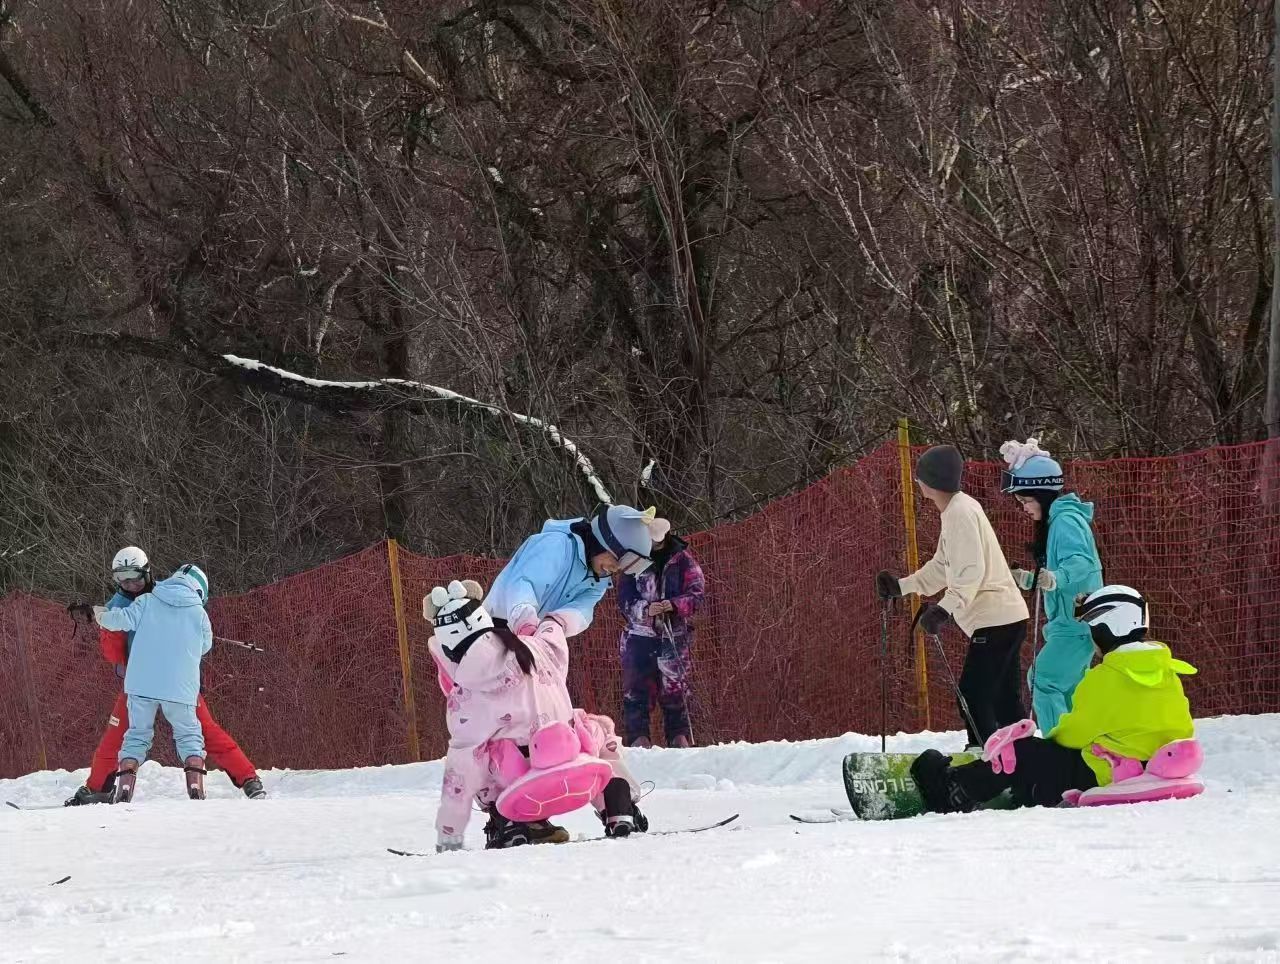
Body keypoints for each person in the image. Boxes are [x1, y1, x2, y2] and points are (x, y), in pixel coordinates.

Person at [910, 585, 1197, 812]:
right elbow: (1181, 729)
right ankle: (1031, 789)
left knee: (1024, 752)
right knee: (1048, 761)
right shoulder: (1169, 673)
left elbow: (1072, 736)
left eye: (1093, 629)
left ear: (1108, 627)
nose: (1092, 639)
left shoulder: (1106, 677)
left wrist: (1039, 748)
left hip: (1103, 773)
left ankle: (953, 790)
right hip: (1147, 769)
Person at [425, 579, 645, 851]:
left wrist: (450, 832)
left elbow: (461, 766)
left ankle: (508, 824)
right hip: (577, 766)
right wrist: (545, 621)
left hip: (521, 785)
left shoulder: (466, 694)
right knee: (592, 728)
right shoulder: (535, 648)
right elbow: (554, 631)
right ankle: (618, 806)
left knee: (477, 756)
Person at [65, 548, 266, 805]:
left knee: (203, 730)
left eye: (135, 577)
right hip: (144, 681)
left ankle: (248, 777)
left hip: (164, 681)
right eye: (122, 579)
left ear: (148, 572)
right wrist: (102, 623)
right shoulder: (119, 604)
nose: (130, 584)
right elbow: (115, 655)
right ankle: (97, 788)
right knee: (119, 736)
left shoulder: (164, 593)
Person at [876, 444, 1029, 749]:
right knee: (1003, 697)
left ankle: (986, 759)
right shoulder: (958, 509)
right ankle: (1022, 759)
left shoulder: (959, 513)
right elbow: (943, 567)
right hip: (1007, 617)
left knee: (973, 694)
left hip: (995, 620)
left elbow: (970, 572)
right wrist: (902, 587)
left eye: (919, 476)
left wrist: (944, 609)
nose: (917, 481)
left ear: (930, 481)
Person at [999, 438, 1105, 732]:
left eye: (1026, 500)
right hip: (1071, 623)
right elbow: (1059, 576)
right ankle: (1078, 749)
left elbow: (1083, 563)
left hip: (1076, 624)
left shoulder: (1066, 521)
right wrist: (1033, 580)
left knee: (1043, 680)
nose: (1024, 508)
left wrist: (1056, 577)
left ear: (1043, 494)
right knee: (1069, 690)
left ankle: (1058, 749)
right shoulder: (1056, 523)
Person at [94, 563, 214, 802]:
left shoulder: (147, 600)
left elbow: (120, 620)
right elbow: (205, 647)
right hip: (180, 687)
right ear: (199, 591)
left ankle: (125, 789)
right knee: (189, 735)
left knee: (137, 734)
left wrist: (100, 614)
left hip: (141, 683)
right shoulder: (199, 613)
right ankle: (195, 787)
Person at [485, 504, 668, 636]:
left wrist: (556, 624)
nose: (614, 569)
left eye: (622, 567)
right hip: (495, 626)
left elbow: (582, 610)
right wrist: (525, 620)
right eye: (616, 560)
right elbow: (525, 583)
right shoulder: (556, 546)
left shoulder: (598, 582)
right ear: (603, 543)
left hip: (530, 639)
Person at [616, 523, 705, 747]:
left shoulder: (683, 560)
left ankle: (679, 739)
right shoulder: (633, 560)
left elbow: (697, 593)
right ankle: (639, 741)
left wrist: (673, 605)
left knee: (676, 690)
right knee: (636, 692)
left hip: (674, 636)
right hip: (639, 636)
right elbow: (625, 599)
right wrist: (645, 610)